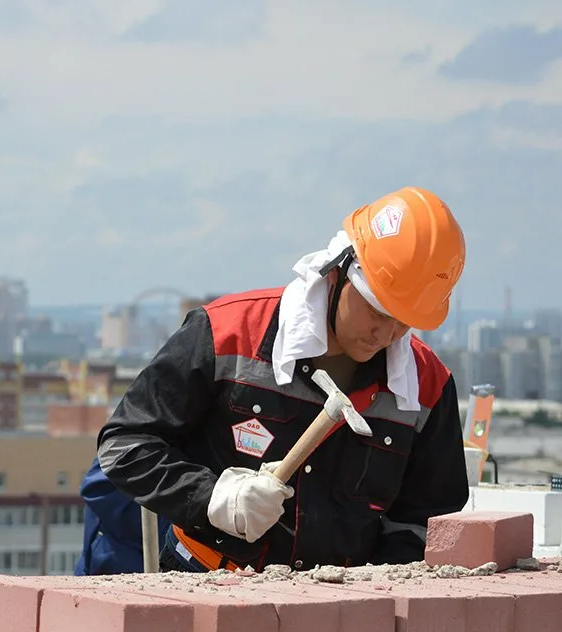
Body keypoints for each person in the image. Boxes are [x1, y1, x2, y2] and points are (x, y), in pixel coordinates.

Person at [96, 186, 470, 573]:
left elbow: (429, 517)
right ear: (341, 269)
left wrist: (372, 589)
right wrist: (212, 498)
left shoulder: (427, 387)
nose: (385, 334)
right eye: (376, 310)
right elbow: (125, 445)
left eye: (403, 320)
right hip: (207, 581)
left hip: (338, 608)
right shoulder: (229, 333)